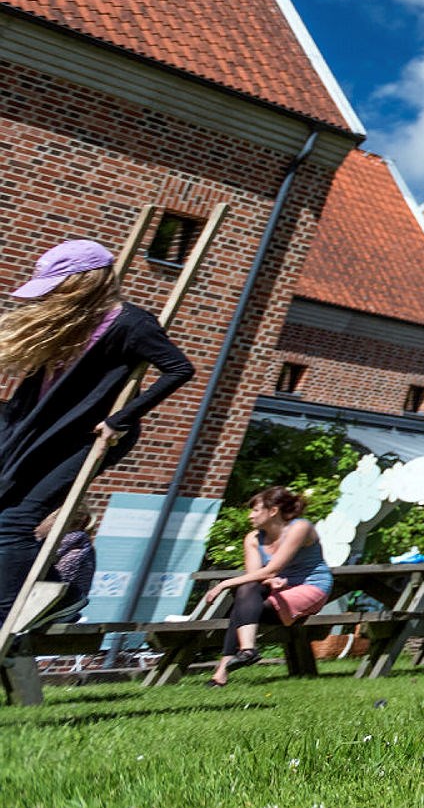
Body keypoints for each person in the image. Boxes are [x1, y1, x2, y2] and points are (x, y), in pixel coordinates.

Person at [0, 239, 195, 618]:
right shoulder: (70, 323)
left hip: (87, 437)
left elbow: (179, 369)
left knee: (15, 521)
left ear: (83, 281)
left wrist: (120, 419)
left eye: (57, 285)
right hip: (42, 432)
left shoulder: (131, 324)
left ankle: (9, 615)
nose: (51, 295)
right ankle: (59, 594)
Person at [199, 486, 333, 686]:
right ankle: (247, 651)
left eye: (255, 510)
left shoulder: (300, 527)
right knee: (246, 594)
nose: (249, 516)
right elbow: (257, 576)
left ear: (273, 511)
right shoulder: (253, 539)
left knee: (242, 610)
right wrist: (269, 581)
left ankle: (225, 669)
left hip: (310, 587)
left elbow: (271, 569)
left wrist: (224, 584)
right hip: (278, 589)